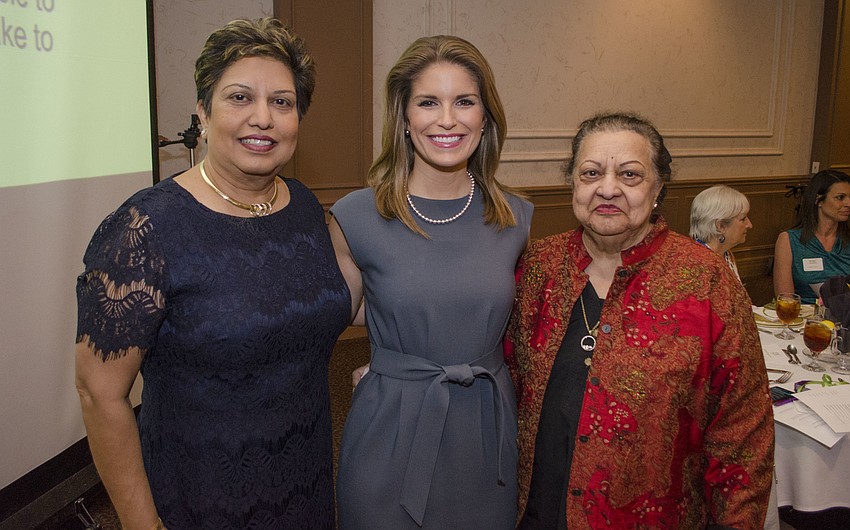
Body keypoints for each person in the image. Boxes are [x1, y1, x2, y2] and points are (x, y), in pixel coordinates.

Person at [74, 18, 350, 529]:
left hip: (306, 482)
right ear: (202, 112)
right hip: (199, 498)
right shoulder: (145, 228)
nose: (263, 118)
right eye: (240, 97)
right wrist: (142, 526)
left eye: (283, 102)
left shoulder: (307, 207)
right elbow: (100, 392)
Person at [505, 112, 774, 529]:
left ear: (658, 187)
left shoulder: (707, 280)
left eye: (630, 175)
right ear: (573, 182)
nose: (607, 189)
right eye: (591, 172)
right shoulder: (537, 266)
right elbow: (502, 379)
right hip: (533, 512)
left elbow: (743, 433)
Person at [329, 35, 533, 529]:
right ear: (403, 116)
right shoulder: (354, 216)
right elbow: (329, 322)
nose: (447, 119)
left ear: (486, 118)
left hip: (486, 432)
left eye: (464, 101)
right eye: (428, 102)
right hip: (389, 429)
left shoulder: (518, 218)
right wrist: (383, 364)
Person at [774, 169, 850, 303]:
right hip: (803, 319)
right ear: (818, 200)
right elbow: (785, 300)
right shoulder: (789, 240)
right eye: (840, 197)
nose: (848, 204)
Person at [690, 185, 752, 281]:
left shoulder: (725, 254)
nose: (749, 225)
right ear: (721, 226)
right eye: (743, 219)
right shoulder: (700, 266)